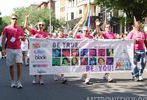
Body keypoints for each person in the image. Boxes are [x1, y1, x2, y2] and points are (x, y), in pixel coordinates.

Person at [24, 14, 49, 85]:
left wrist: (47, 39)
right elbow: (26, 27)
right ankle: (34, 79)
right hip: (34, 52)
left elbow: (49, 42)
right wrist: (26, 18)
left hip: (42, 52)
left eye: (42, 25)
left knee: (41, 65)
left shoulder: (45, 34)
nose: (41, 26)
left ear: (44, 27)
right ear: (37, 26)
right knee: (35, 65)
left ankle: (41, 79)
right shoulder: (34, 32)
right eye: (39, 25)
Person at [2, 14, 24, 89]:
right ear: (10, 19)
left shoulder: (20, 28)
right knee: (11, 66)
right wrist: (3, 49)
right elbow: (3, 38)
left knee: (19, 64)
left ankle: (19, 82)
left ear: (17, 20)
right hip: (9, 49)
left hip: (18, 49)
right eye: (13, 18)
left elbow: (24, 38)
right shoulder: (6, 28)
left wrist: (22, 37)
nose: (14, 20)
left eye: (16, 19)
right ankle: (12, 81)